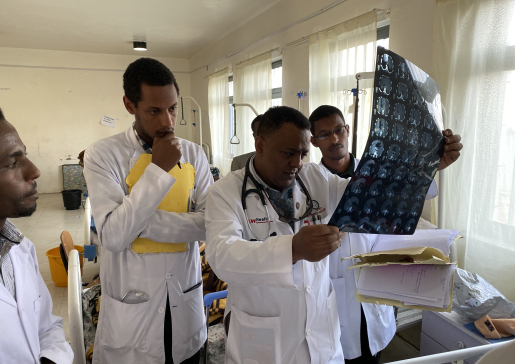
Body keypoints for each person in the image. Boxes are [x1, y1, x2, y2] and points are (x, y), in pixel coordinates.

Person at [309, 105, 463, 363]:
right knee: (340, 353)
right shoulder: (309, 183)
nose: (334, 139)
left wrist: (435, 164)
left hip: (375, 286)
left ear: (347, 130)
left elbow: (405, 191)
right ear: (314, 141)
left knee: (373, 353)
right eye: (324, 134)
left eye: (338, 130)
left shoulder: (376, 172)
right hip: (333, 294)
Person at [83, 58, 213, 364]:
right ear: (130, 105)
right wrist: (158, 169)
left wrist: (137, 224)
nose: (167, 121)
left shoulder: (194, 153)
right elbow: (113, 237)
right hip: (132, 314)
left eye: (173, 108)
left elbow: (210, 223)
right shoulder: (103, 155)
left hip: (185, 302)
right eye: (154, 111)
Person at [206, 106, 349, 364]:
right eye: (289, 153)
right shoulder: (225, 192)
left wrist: (424, 169)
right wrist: (292, 250)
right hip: (265, 343)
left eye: (304, 153)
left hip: (322, 340)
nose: (298, 163)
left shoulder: (315, 177)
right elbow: (221, 257)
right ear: (260, 145)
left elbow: (361, 194)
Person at [0, 108, 74, 364]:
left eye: (26, 156)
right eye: (12, 163)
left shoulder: (20, 249)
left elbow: (48, 327)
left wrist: (51, 358)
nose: (34, 171)